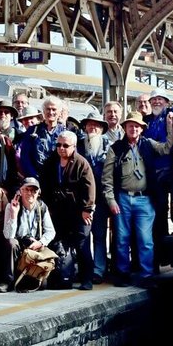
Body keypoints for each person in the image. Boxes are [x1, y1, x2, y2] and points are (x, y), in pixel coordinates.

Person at [102, 111, 173, 288]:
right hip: (123, 199)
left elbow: (167, 148)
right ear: (124, 127)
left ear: (142, 129)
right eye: (130, 126)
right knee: (121, 239)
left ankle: (147, 275)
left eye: (137, 126)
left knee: (145, 240)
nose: (133, 129)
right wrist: (111, 200)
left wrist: (170, 127)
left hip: (144, 199)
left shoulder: (148, 144)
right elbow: (107, 178)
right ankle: (122, 273)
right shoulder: (115, 148)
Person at [41, 131, 96, 290]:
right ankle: (59, 277)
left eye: (65, 145)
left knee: (82, 244)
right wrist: (47, 208)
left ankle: (87, 279)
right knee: (58, 244)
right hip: (58, 211)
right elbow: (44, 185)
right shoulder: (51, 162)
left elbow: (90, 188)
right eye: (58, 145)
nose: (61, 148)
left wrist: (87, 209)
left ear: (74, 146)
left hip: (79, 211)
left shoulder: (81, 163)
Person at [1, 177, 56, 290]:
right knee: (11, 243)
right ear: (20, 191)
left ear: (38, 193)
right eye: (27, 190)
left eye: (34, 191)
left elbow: (51, 232)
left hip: (34, 247)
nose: (30, 193)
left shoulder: (42, 207)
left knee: (43, 286)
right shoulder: (11, 207)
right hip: (19, 246)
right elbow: (8, 235)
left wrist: (41, 242)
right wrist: (14, 215)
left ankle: (26, 278)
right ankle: (8, 281)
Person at [76, 112, 112, 283]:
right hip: (82, 200)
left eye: (96, 125)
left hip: (101, 199)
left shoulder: (109, 146)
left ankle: (99, 270)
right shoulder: (78, 146)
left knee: (99, 235)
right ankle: (84, 269)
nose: (93, 128)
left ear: (102, 129)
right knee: (83, 236)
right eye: (90, 125)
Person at [144, 89, 173, 268]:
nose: (156, 102)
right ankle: (161, 255)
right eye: (154, 99)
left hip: (171, 170)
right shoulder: (148, 121)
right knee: (158, 216)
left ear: (166, 102)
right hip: (154, 174)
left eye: (160, 99)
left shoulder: (172, 115)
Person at [18, 96, 66, 180]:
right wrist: (34, 177)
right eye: (48, 109)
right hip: (36, 179)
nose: (51, 112)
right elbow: (25, 158)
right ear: (43, 111)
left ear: (59, 112)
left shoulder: (65, 133)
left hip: (58, 180)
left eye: (54, 109)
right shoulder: (32, 131)